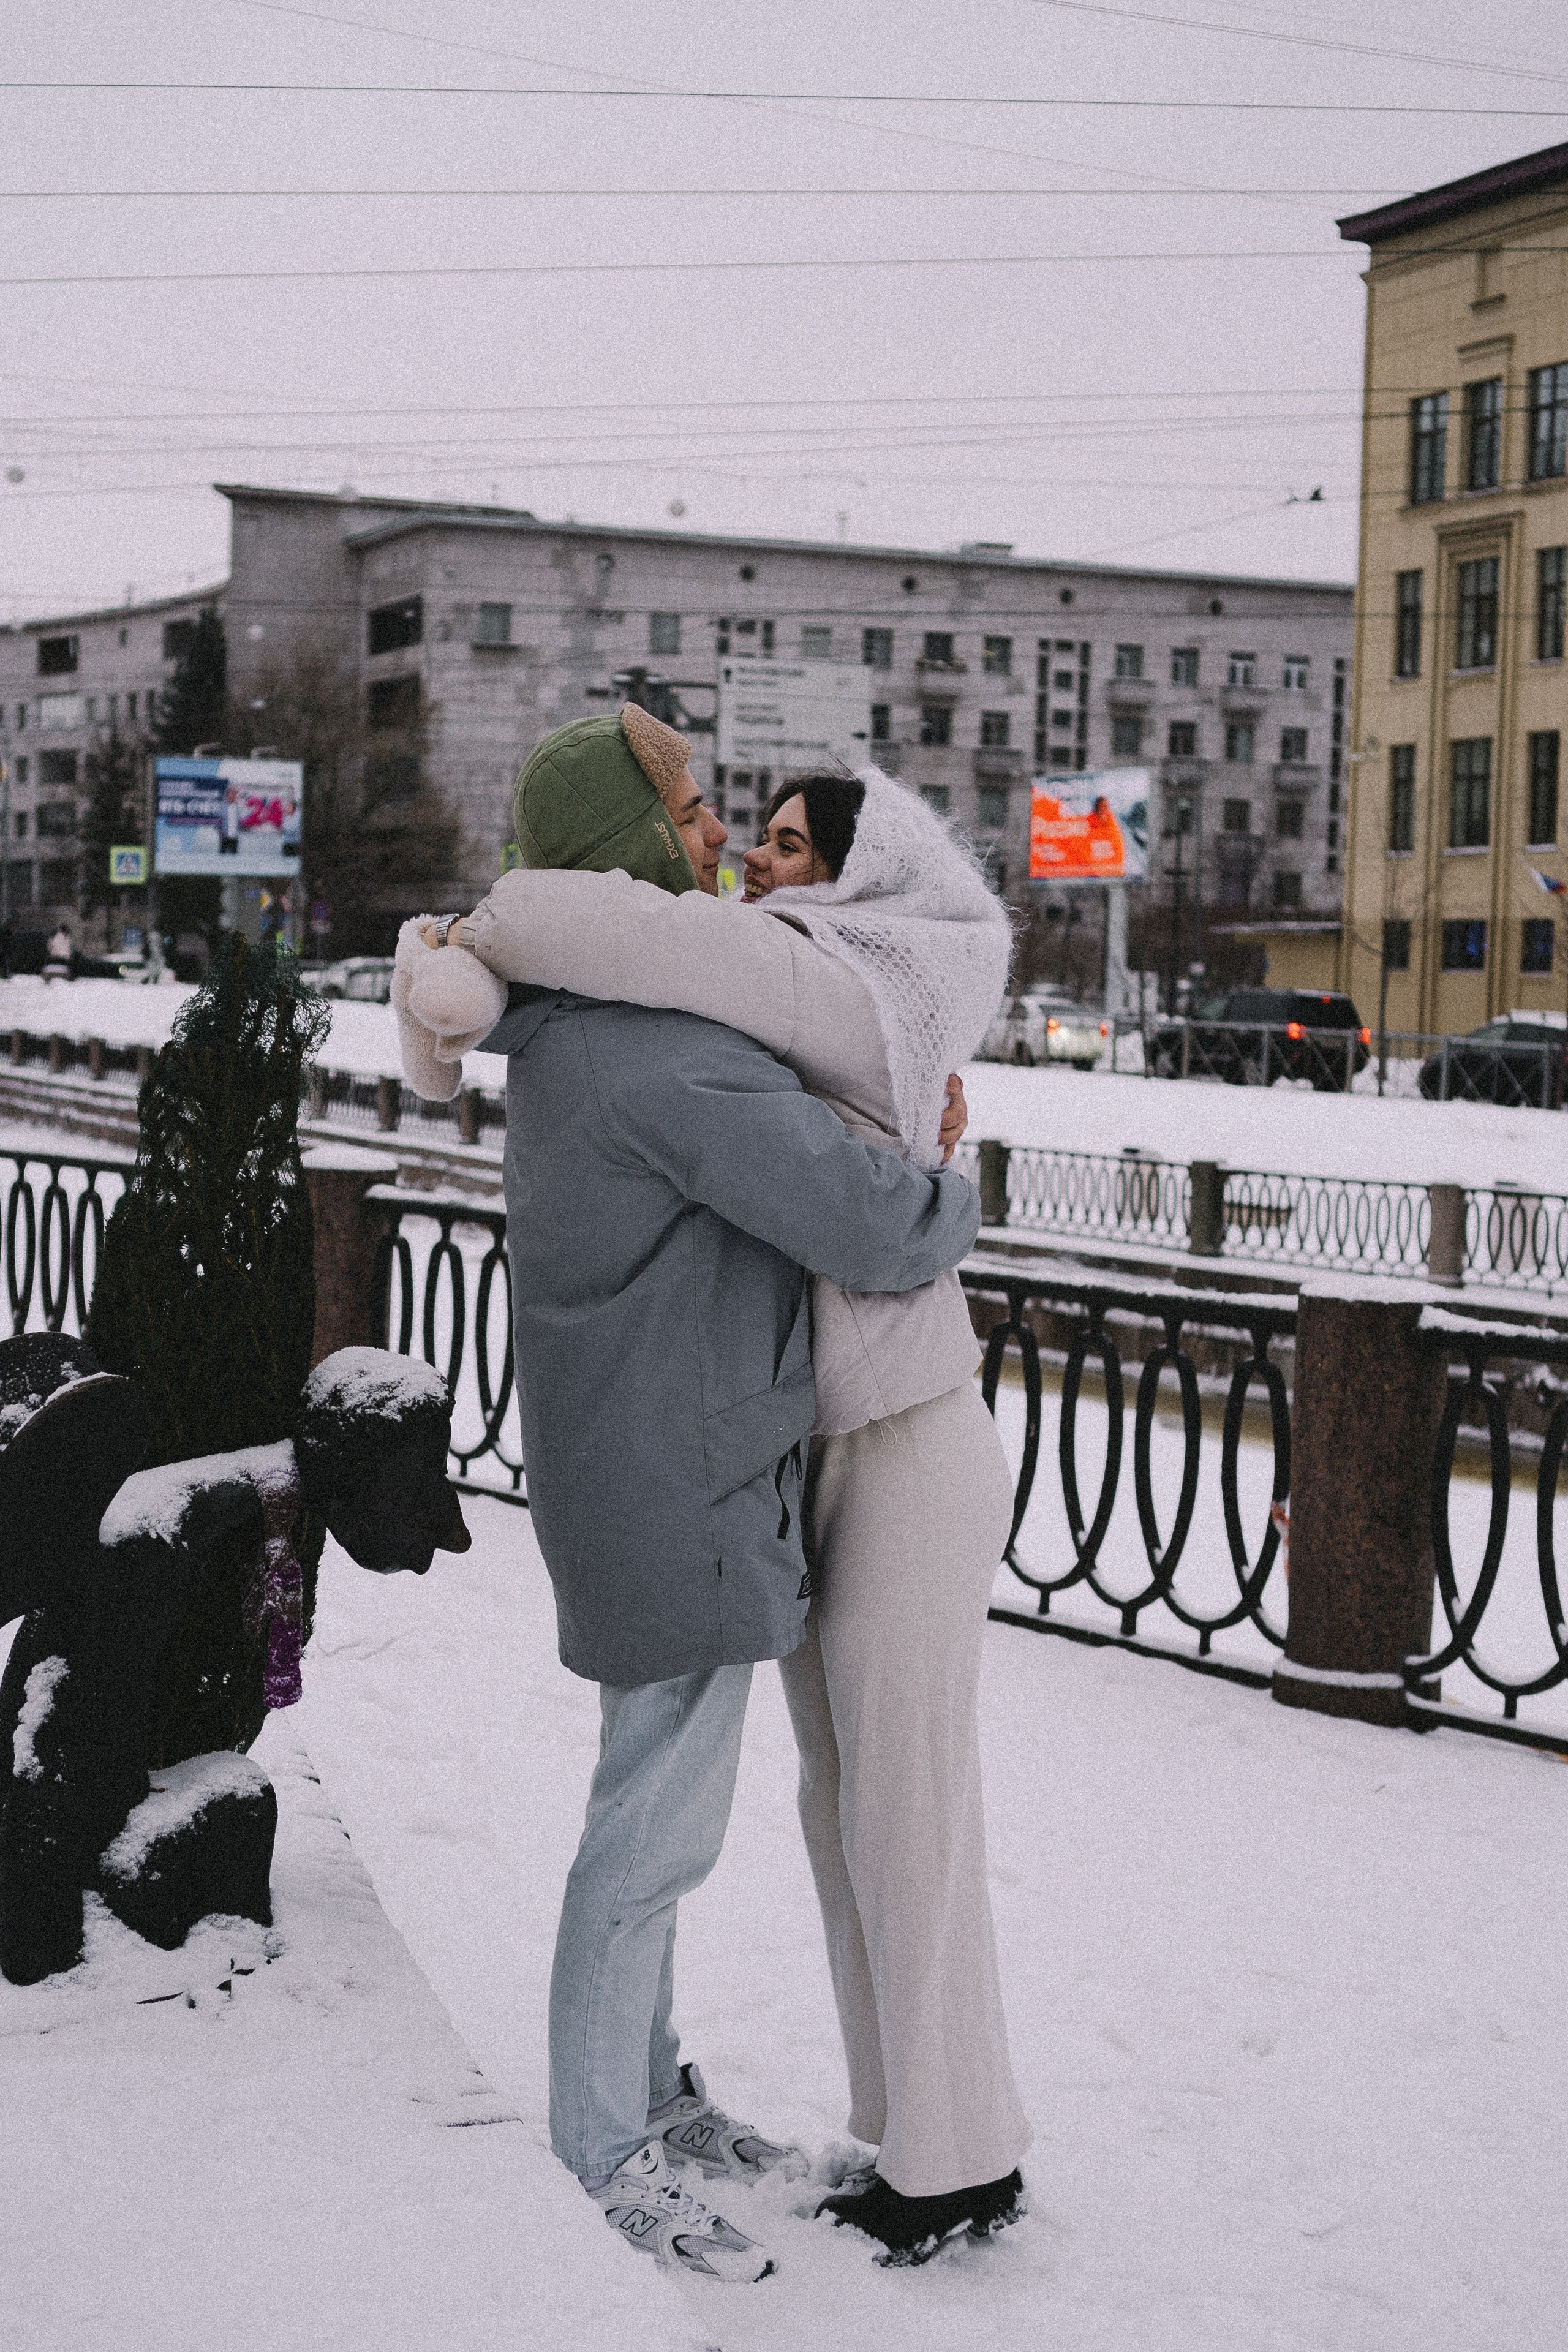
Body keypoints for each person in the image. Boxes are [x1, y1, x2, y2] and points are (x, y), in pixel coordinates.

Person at [402, 720, 1033, 2267]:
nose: (721, 844)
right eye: (690, 811)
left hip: (713, 1460)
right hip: (681, 1472)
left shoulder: (621, 1014)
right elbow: (873, 1226)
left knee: (766, 1806)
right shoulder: (656, 1043)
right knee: (660, 1829)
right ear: (625, 839)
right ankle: (608, 2142)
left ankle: (713, 2106)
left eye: (752, 827)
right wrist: (952, 1178)